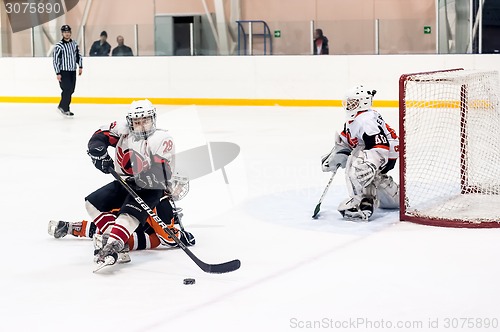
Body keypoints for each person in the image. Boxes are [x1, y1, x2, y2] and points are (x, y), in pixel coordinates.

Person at [84, 99, 180, 268]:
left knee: (128, 214)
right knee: (92, 203)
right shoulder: (122, 131)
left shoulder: (162, 139)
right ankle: (115, 242)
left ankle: (112, 245)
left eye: (145, 120)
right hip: (125, 183)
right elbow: (100, 136)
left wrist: (144, 179)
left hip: (151, 188)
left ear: (153, 119)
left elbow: (162, 173)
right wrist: (98, 151)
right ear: (130, 122)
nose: (142, 125)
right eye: (137, 122)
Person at [321, 85, 399, 220]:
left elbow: (380, 143)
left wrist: (371, 163)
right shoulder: (356, 117)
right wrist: (336, 155)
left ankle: (361, 203)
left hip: (385, 152)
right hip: (379, 149)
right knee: (362, 166)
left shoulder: (365, 120)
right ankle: (394, 197)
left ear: (363, 102)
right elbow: (348, 139)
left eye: (353, 102)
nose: (349, 105)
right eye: (348, 102)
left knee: (357, 164)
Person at [48, 193, 195, 262]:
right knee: (154, 239)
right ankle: (118, 244)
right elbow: (166, 237)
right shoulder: (161, 201)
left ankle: (72, 227)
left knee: (118, 226)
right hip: (130, 223)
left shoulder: (148, 188)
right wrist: (183, 237)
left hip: (118, 217)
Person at [52, 24, 83, 117]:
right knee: (66, 89)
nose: (67, 34)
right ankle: (65, 108)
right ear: (62, 33)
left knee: (71, 90)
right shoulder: (59, 46)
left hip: (72, 70)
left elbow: (78, 55)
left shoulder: (74, 44)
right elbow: (56, 60)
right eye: (65, 32)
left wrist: (80, 66)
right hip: (63, 71)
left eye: (68, 32)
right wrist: (58, 72)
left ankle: (62, 106)